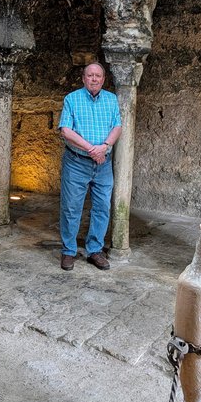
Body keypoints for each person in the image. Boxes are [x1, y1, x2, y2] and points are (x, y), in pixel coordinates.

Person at [58, 62, 122, 271]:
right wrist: (91, 149)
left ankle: (95, 250)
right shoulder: (72, 99)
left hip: (103, 164)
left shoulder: (111, 99)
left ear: (103, 79)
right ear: (83, 78)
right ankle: (69, 251)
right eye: (90, 75)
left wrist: (104, 146)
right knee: (71, 208)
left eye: (98, 76)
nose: (94, 79)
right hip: (77, 162)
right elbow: (66, 130)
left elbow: (117, 126)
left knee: (102, 207)